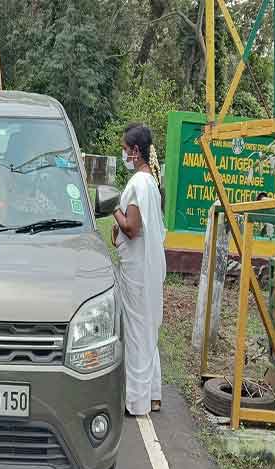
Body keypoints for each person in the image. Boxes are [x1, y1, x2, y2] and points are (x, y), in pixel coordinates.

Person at [112, 123, 166, 415]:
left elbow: (132, 228)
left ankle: (135, 400)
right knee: (146, 330)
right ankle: (153, 394)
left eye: (124, 149)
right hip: (149, 267)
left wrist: (113, 211)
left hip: (136, 270)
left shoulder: (138, 184)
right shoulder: (150, 183)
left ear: (135, 151)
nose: (123, 154)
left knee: (134, 331)